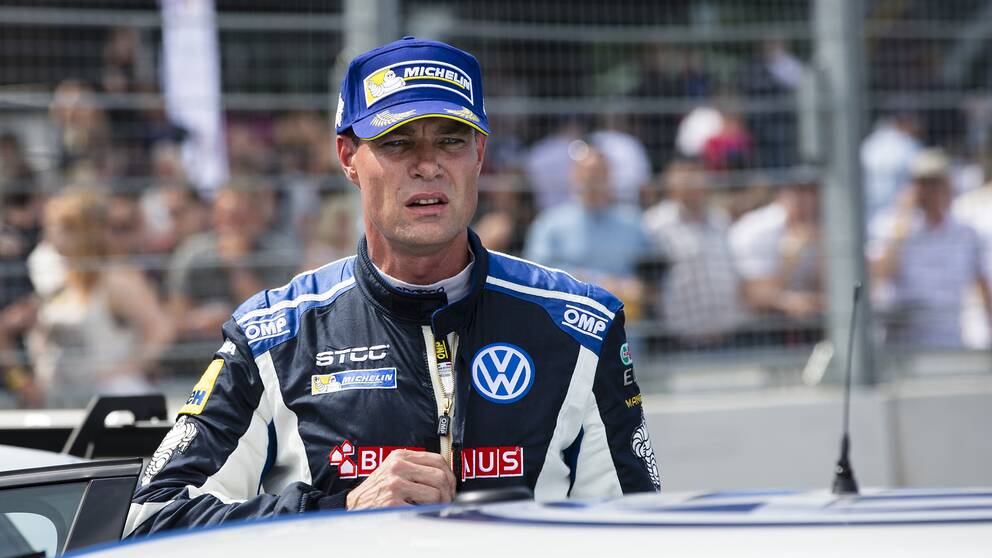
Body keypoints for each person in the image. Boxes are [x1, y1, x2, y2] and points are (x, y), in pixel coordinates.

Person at [127, 37, 659, 537]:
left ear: (479, 154)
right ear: (347, 157)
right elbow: (150, 516)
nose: (427, 165)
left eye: (451, 140)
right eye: (397, 142)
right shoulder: (275, 336)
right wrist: (339, 513)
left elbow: (640, 530)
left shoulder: (581, 328)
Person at [25, 188, 174, 407]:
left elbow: (160, 329)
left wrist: (126, 370)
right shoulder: (59, 281)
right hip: (64, 398)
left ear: (82, 231)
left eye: (57, 228)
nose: (48, 235)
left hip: (112, 400)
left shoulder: (115, 278)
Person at [868, 149, 991, 348]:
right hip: (902, 344)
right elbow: (882, 274)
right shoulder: (890, 225)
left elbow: (982, 283)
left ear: (948, 185)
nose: (931, 191)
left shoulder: (966, 233)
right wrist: (903, 217)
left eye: (936, 183)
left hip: (949, 340)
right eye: (924, 184)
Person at [642, 158, 742, 345]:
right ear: (670, 182)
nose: (693, 180)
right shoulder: (654, 224)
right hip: (680, 340)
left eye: (697, 173)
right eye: (685, 174)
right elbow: (648, 283)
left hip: (729, 336)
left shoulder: (720, 219)